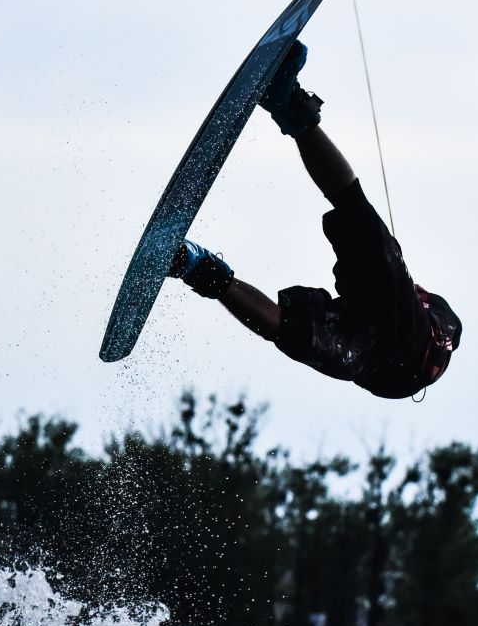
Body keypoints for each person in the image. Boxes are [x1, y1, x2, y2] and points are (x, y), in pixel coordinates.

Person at [166, 41, 461, 400]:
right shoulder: (416, 320)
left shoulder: (400, 332)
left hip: (391, 352)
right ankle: (197, 267)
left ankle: (199, 268)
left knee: (297, 324)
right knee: (295, 325)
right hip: (390, 349)